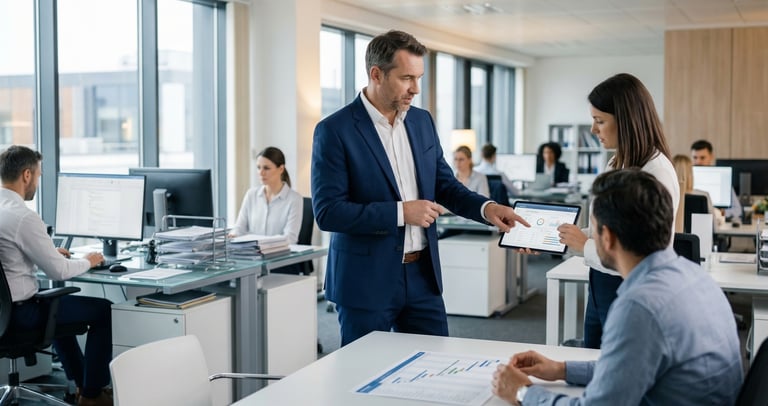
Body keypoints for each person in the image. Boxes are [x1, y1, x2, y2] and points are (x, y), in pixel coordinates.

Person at [311, 30, 529, 347]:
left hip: (422, 277)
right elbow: (328, 213)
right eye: (406, 78)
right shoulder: (334, 130)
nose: (415, 88)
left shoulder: (422, 121)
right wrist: (401, 213)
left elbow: (445, 185)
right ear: (376, 74)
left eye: (419, 78)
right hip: (365, 280)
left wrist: (487, 208)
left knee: (436, 363)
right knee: (365, 371)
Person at [491, 169, 742, 406]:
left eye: (593, 229)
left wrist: (523, 392)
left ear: (607, 237)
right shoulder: (696, 277)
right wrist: (561, 369)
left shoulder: (640, 306)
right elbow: (627, 369)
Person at [557, 73, 680, 349]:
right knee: (593, 360)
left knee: (617, 364)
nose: (593, 130)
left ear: (625, 120)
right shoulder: (617, 162)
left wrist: (584, 245)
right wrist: (557, 238)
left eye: (600, 121)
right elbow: (607, 230)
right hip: (601, 282)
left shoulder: (656, 172)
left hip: (631, 289)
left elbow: (639, 251)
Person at [0, 146, 113, 406]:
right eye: (38, 175)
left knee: (56, 306)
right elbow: (59, 271)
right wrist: (89, 260)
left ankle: (82, 385)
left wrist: (48, 252)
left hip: (3, 313)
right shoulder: (22, 217)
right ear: (26, 175)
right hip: (20, 315)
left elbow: (9, 256)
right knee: (102, 310)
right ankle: (93, 395)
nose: (37, 182)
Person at [230, 146, 303, 244]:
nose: (261, 173)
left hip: (278, 253)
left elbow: (290, 238)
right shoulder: (251, 195)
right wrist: (233, 235)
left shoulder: (294, 199)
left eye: (266, 168)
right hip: (252, 252)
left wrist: (264, 244)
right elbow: (239, 228)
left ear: (281, 169)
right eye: (258, 167)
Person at [691, 139, 742, 220]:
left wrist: (720, 213)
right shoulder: (686, 178)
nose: (698, 162)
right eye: (695, 157)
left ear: (711, 157)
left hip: (715, 221)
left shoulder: (722, 177)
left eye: (702, 158)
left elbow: (737, 210)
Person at [672, 154, 724, 230]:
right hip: (700, 237)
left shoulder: (668, 195)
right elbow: (714, 228)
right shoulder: (703, 195)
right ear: (690, 173)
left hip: (675, 237)